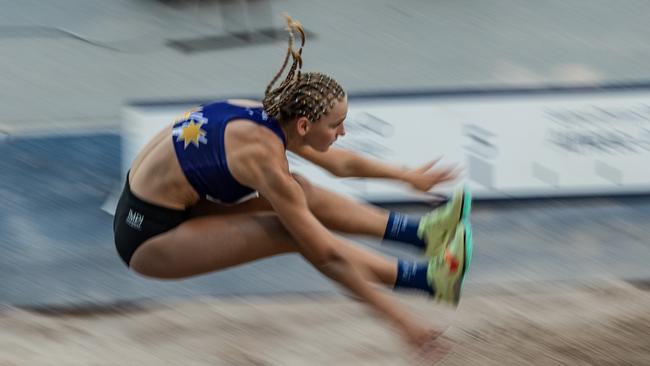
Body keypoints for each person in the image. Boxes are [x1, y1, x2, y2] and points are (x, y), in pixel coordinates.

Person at [113, 14, 472, 351]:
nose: (343, 132)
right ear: (304, 125)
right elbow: (328, 255)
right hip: (147, 238)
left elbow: (340, 164)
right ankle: (425, 279)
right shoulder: (263, 159)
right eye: (337, 125)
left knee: (301, 189)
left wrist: (408, 177)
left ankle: (423, 233)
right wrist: (401, 323)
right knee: (291, 231)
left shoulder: (269, 113)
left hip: (171, 205)